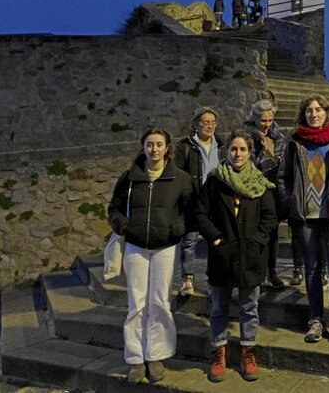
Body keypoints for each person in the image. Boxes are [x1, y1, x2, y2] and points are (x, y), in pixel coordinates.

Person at [107, 128, 193, 383]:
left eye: (159, 144)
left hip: (165, 247)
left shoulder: (181, 178)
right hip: (135, 246)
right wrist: (123, 226)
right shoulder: (129, 177)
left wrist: (175, 228)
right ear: (143, 147)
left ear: (167, 148)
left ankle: (155, 355)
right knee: (136, 303)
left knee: (160, 302)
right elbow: (114, 208)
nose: (154, 149)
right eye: (149, 144)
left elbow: (190, 212)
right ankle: (135, 359)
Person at [278, 95, 329, 348]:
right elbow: (282, 176)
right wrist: (291, 201)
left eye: (318, 110)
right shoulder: (295, 143)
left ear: (327, 113)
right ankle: (316, 320)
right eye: (308, 111)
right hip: (305, 218)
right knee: (312, 269)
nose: (313, 114)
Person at [195, 130, 277, 382]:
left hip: (251, 257)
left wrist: (257, 241)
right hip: (222, 255)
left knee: (249, 307)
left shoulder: (260, 183)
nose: (237, 154)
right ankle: (219, 351)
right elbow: (200, 214)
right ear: (226, 151)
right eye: (233, 149)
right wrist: (216, 238)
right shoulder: (215, 180)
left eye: (242, 150)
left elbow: (269, 218)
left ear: (250, 153)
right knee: (219, 307)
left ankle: (247, 352)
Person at [174, 107, 226, 296]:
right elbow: (177, 175)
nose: (210, 126)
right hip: (194, 201)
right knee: (190, 241)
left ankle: (214, 279)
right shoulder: (185, 146)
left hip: (217, 201)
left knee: (216, 241)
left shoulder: (221, 145)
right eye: (205, 122)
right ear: (196, 124)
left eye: (213, 122)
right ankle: (188, 279)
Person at [243, 99, 286, 289]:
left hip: (273, 191)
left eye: (270, 121)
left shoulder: (279, 138)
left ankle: (272, 272)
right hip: (254, 191)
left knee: (273, 233)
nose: (267, 125)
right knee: (254, 234)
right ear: (255, 119)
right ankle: (255, 272)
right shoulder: (247, 139)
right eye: (263, 121)